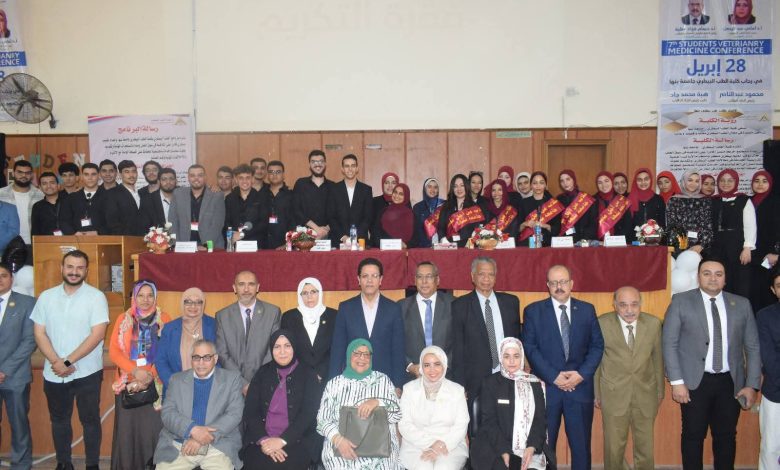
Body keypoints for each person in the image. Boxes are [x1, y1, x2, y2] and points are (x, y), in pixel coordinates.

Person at [662, 258, 761, 470]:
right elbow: (669, 343)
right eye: (707, 273)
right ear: (698, 277)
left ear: (725, 279)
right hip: (693, 383)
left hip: (730, 382)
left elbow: (753, 347)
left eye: (718, 274)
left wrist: (752, 385)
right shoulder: (681, 301)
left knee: (726, 436)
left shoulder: (742, 304)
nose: (713, 278)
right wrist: (677, 382)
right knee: (693, 435)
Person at [30, 250, 109, 470]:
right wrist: (56, 361)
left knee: (90, 420)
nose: (74, 272)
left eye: (80, 268)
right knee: (59, 421)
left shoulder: (96, 297)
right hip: (54, 372)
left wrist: (67, 361)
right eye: (70, 267)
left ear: (86, 271)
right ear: (62, 268)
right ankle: (63, 463)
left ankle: (92, 465)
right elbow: (39, 333)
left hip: (87, 372)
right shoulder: (46, 297)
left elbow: (97, 335)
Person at [522, 264, 604, 470]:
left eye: (563, 282)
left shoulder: (587, 310)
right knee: (544, 447)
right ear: (547, 285)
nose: (559, 286)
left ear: (571, 284)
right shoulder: (533, 311)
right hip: (547, 389)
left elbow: (597, 346)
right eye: (554, 282)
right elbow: (530, 348)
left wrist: (581, 375)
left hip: (580, 388)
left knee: (581, 447)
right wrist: (553, 376)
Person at [595, 286, 664, 470]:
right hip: (613, 393)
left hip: (646, 393)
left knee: (645, 447)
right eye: (623, 305)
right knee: (614, 448)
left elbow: (657, 359)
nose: (629, 310)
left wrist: (659, 391)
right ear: (614, 305)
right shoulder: (602, 324)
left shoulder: (653, 324)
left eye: (634, 304)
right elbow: (596, 361)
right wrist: (597, 393)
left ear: (640, 304)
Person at [108, 279, 171, 470]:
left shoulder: (164, 318)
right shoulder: (124, 319)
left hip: (155, 385)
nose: (145, 299)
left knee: (153, 432)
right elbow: (114, 352)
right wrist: (135, 371)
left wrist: (149, 375)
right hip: (128, 384)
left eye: (150, 295)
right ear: (134, 297)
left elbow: (167, 350)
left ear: (155, 297)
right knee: (128, 434)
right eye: (141, 295)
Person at [154, 340, 244, 470]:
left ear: (215, 359)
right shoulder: (176, 380)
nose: (201, 363)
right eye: (196, 357)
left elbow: (234, 414)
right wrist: (192, 429)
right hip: (179, 443)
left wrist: (200, 438)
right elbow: (168, 413)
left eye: (206, 357)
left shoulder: (231, 379)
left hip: (218, 444)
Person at [242, 330, 323, 469]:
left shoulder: (308, 374)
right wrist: (265, 441)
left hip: (297, 440)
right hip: (261, 440)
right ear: (271, 349)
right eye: (277, 347)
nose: (282, 352)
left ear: (294, 347)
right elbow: (251, 411)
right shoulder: (263, 372)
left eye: (287, 346)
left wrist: (282, 440)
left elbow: (309, 413)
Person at [452, 257, 521, 417]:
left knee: (508, 421)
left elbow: (517, 341)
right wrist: (460, 386)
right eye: (481, 274)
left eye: (491, 274)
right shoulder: (460, 306)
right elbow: (457, 349)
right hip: (475, 380)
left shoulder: (511, 302)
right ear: (473, 276)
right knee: (479, 425)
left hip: (507, 374)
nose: (486, 279)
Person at [317, 339, 401, 470]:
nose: (362, 358)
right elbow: (322, 420)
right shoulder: (334, 384)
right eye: (357, 353)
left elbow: (397, 414)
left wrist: (377, 402)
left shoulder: (383, 380)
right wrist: (338, 440)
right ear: (349, 355)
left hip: (380, 454)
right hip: (342, 451)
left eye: (367, 354)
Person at [470, 338, 549, 470]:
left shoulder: (534, 383)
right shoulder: (490, 383)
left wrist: (532, 447)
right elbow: (489, 422)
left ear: (522, 358)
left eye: (516, 356)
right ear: (501, 358)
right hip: (495, 445)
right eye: (507, 356)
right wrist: (504, 451)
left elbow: (540, 420)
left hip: (529, 445)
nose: (512, 361)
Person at [329, 258, 405, 388]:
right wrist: (333, 384)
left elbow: (398, 350)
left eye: (374, 276)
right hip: (352, 381)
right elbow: (338, 350)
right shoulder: (346, 308)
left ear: (380, 279)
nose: (369, 280)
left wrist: (398, 385)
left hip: (384, 381)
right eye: (365, 276)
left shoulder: (393, 309)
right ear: (358, 279)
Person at [399, 345, 469, 470]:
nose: (432, 370)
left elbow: (461, 425)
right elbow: (404, 424)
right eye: (427, 365)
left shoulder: (457, 390)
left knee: (444, 467)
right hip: (415, 445)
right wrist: (431, 443)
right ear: (421, 367)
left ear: (444, 365)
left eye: (437, 364)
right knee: (423, 466)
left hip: (451, 444)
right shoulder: (409, 389)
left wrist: (443, 445)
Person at [216, 270, 281, 394]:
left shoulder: (273, 313)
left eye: (251, 284)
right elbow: (222, 353)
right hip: (233, 385)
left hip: (264, 383)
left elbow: (273, 349)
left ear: (258, 287)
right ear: (234, 288)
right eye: (241, 284)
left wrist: (257, 381)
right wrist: (243, 384)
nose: (246, 289)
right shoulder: (222, 316)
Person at [0, 262, 36, 470]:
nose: (0, 280)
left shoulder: (27, 303)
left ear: (11, 279)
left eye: (3, 275)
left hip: (15, 376)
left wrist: (5, 370)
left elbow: (29, 340)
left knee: (19, 424)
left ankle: (21, 465)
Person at [399, 262, 454, 382]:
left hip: (447, 376)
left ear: (437, 280)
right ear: (415, 280)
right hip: (412, 378)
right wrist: (410, 366)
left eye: (429, 276)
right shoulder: (401, 307)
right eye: (420, 277)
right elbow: (395, 343)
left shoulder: (453, 304)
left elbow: (460, 342)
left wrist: (444, 365)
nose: (424, 281)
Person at [156, 287, 217, 392]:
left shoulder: (214, 325)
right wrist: (174, 385)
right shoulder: (169, 329)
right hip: (177, 390)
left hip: (209, 389)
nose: (193, 306)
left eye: (198, 302)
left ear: (203, 304)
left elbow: (220, 358)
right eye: (188, 302)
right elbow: (161, 361)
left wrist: (210, 384)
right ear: (182, 304)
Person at [280, 277, 337, 382]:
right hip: (298, 376)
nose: (309, 296)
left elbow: (337, 347)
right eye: (305, 293)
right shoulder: (288, 317)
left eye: (313, 292)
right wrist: (305, 373)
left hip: (327, 376)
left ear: (320, 293)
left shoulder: (334, 316)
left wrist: (322, 371)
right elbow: (287, 348)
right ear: (300, 295)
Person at [710, 169, 756, 298]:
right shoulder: (714, 200)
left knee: (739, 282)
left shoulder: (744, 200)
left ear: (736, 182)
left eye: (730, 180)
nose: (726, 183)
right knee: (720, 280)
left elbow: (750, 225)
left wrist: (747, 248)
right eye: (722, 180)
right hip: (717, 246)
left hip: (737, 246)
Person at [169, 164, 226, 249]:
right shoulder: (178, 194)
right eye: (192, 175)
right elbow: (172, 221)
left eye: (200, 175)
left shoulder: (217, 196)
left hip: (210, 246)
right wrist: (177, 245)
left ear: (205, 177)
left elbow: (217, 224)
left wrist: (206, 245)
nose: (196, 178)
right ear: (188, 178)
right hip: (184, 246)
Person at [756, 270, 780, 469]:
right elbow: (769, 358)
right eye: (779, 286)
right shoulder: (765, 316)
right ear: (773, 290)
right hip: (776, 391)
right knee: (771, 448)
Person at [327, 154, 373, 247]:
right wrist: (343, 237)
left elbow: (368, 217)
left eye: (353, 165)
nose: (350, 169)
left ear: (357, 168)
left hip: (360, 242)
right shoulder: (333, 189)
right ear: (342, 169)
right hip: (338, 241)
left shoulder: (366, 190)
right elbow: (331, 217)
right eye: (347, 166)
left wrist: (354, 237)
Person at [749, 170, 779, 311]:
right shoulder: (748, 202)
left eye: (764, 181)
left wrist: (776, 254)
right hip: (753, 256)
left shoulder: (776, 202)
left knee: (768, 293)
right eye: (757, 181)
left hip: (770, 256)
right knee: (754, 293)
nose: (760, 184)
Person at [666, 170, 713, 253]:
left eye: (697, 181)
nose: (693, 184)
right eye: (690, 180)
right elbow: (672, 225)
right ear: (684, 181)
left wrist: (701, 245)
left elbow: (708, 225)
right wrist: (682, 246)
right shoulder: (674, 200)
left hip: (700, 248)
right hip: (679, 246)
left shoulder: (705, 200)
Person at [0, 160, 43, 249]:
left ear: (31, 175)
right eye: (20, 172)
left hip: (33, 244)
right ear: (13, 173)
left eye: (27, 173)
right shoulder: (1, 194)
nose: (24, 176)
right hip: (5, 246)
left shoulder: (40, 195)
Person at [293, 150, 334, 241]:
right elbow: (296, 210)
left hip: (328, 235)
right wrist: (316, 229)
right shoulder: (300, 184)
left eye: (321, 161)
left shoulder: (333, 186)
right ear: (309, 164)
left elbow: (337, 213)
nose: (317, 164)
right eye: (314, 161)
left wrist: (325, 229)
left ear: (325, 164)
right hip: (304, 236)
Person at [437, 174, 486, 248]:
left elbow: (478, 229)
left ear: (466, 187)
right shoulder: (446, 206)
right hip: (449, 247)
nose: (459, 189)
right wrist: (443, 239)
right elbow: (441, 227)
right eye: (455, 186)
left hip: (468, 248)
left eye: (462, 185)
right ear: (452, 189)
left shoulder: (474, 207)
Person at [224, 164, 268, 246]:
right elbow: (226, 222)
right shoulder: (229, 199)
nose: (244, 181)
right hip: (235, 242)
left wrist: (242, 234)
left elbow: (263, 223)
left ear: (252, 179)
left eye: (248, 178)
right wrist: (233, 235)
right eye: (241, 178)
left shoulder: (262, 198)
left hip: (256, 244)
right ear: (236, 180)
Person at [58, 163, 108, 235]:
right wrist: (74, 234)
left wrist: (98, 233)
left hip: (102, 239)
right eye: (86, 174)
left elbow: (113, 221)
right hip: (76, 239)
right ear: (81, 177)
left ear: (99, 176)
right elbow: (64, 221)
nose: (90, 178)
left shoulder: (109, 197)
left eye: (93, 174)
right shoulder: (71, 198)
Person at [518, 171, 563, 247]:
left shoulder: (553, 204)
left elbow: (557, 229)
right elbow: (518, 229)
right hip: (528, 244)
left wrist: (544, 225)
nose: (538, 186)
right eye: (535, 183)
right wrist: (525, 224)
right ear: (531, 185)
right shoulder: (523, 203)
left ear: (545, 185)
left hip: (548, 244)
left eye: (541, 183)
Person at [556, 169, 597, 242]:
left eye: (568, 179)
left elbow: (593, 222)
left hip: (584, 240)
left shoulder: (586, 198)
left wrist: (585, 238)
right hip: (565, 240)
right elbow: (557, 223)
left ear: (574, 180)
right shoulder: (559, 199)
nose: (565, 183)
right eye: (562, 181)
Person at [104, 160, 143, 235]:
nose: (131, 175)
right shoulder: (112, 194)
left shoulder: (141, 194)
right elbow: (112, 223)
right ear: (120, 175)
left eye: (134, 171)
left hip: (144, 239)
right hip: (125, 239)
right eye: (127, 172)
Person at [263, 160, 295, 249]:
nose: (274, 175)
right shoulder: (261, 194)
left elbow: (294, 222)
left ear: (283, 175)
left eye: (278, 172)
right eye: (271, 172)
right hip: (263, 245)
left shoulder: (291, 195)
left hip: (285, 245)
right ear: (267, 175)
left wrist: (288, 243)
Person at [372, 183, 416, 248]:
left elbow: (416, 237)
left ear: (406, 196)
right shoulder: (383, 212)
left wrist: (406, 244)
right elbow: (375, 233)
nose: (397, 196)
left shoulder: (411, 215)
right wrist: (383, 244)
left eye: (401, 194)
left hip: (404, 251)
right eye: (395, 192)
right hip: (384, 250)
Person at [593, 171, 633, 240]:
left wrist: (615, 239)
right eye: (600, 182)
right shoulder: (593, 201)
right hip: (598, 242)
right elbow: (591, 225)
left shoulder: (621, 200)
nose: (604, 185)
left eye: (606, 181)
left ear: (612, 182)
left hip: (619, 241)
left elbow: (627, 225)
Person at [411, 177, 445, 248]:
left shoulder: (444, 205)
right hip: (423, 247)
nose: (432, 190)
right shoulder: (418, 207)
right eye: (429, 187)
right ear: (425, 189)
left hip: (441, 247)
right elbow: (416, 230)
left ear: (438, 190)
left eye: (435, 187)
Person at [31, 171, 64, 236]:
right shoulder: (37, 206)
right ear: (40, 188)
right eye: (44, 184)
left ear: (58, 185)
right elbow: (35, 231)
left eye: (52, 183)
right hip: (46, 241)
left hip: (69, 240)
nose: (49, 186)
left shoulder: (69, 202)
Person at [371, 172, 400, 239]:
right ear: (382, 185)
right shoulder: (374, 202)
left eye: (393, 183)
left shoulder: (404, 202)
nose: (390, 186)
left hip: (399, 242)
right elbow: (372, 227)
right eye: (387, 183)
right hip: (378, 242)